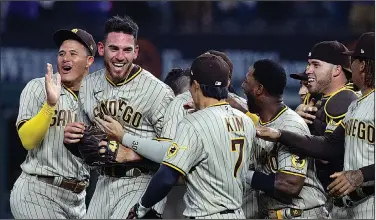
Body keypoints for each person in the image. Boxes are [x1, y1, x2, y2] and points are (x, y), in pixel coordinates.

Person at [255, 32, 375, 219]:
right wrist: (280, 134)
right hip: (347, 207)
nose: (350, 66)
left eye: (353, 60)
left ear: (362, 65)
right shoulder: (355, 106)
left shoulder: (348, 101)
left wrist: (361, 174)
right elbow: (330, 145)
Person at [122, 53, 256, 219]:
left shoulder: (193, 123)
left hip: (207, 215)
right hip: (237, 213)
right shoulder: (246, 121)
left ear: (196, 86)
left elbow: (166, 177)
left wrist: (140, 207)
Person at [10, 28, 96, 218]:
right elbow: (27, 140)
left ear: (89, 61)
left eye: (73, 54)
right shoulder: (38, 87)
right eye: (61, 53)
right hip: (38, 192)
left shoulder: (96, 99)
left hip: (79, 200)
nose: (66, 58)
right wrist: (50, 105)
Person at [241, 59, 328, 218]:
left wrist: (243, 174)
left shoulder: (290, 125)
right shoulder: (262, 122)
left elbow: (290, 185)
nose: (243, 85)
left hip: (305, 214)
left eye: (247, 81)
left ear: (259, 89)